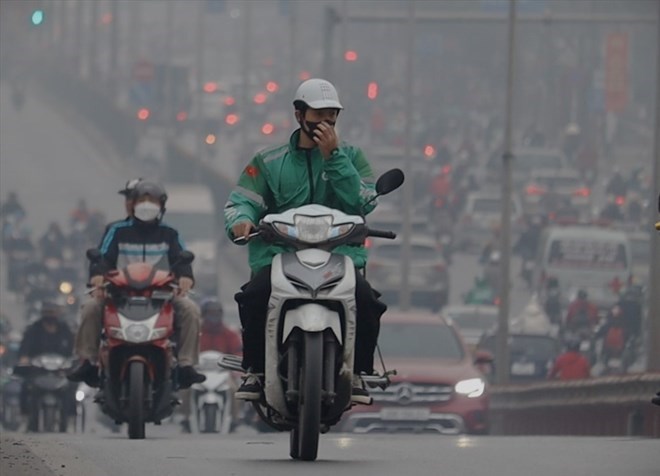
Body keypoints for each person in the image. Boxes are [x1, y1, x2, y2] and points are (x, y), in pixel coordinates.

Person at [224, 78, 386, 404]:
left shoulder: (352, 157)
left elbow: (363, 202)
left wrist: (334, 157)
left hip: (340, 255)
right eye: (318, 116)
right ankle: (255, 370)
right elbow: (242, 200)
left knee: (368, 301)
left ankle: (357, 373)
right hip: (279, 254)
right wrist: (241, 222)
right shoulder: (267, 161)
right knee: (254, 296)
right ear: (299, 115)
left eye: (332, 117)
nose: (325, 124)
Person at [67, 180, 205, 389]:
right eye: (142, 200)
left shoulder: (170, 233)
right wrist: (98, 275)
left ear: (162, 206)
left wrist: (185, 277)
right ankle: (88, 361)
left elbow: (181, 260)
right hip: (119, 292)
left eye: (152, 200)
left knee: (191, 310)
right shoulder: (117, 231)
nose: (147, 205)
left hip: (162, 294)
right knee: (90, 308)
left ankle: (186, 364)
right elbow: (103, 258)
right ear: (133, 204)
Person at [180, 298, 242, 433]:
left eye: (217, 312)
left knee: (233, 390)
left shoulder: (230, 334)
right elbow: (187, 349)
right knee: (186, 389)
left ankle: (234, 418)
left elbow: (237, 353)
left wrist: (235, 370)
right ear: (203, 314)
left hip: (223, 373)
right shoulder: (196, 332)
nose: (214, 315)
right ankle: (186, 417)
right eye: (210, 312)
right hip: (199, 371)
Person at [17, 298, 75, 426]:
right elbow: (24, 347)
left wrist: (73, 359)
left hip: (59, 370)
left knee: (71, 386)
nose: (50, 315)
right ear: (42, 313)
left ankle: (71, 415)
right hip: (38, 370)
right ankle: (25, 414)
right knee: (25, 385)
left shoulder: (65, 329)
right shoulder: (33, 329)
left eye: (52, 312)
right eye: (47, 312)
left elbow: (72, 348)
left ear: (57, 313)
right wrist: (24, 357)